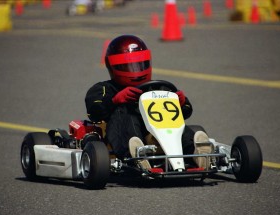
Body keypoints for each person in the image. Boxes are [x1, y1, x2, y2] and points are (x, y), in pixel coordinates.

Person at [85, 35, 212, 170]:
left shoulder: (159, 88)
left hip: (154, 136)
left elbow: (186, 112)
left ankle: (195, 151)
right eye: (128, 66)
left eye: (139, 65)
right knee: (126, 112)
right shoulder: (104, 89)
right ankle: (138, 154)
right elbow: (94, 112)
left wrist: (180, 103)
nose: (136, 71)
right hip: (119, 136)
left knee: (171, 121)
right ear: (112, 66)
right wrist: (115, 100)